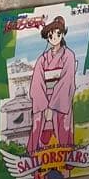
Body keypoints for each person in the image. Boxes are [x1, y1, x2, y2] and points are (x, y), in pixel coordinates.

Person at [28, 16, 77, 159]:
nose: (54, 38)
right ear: (47, 38)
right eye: (50, 35)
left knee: (63, 128)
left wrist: (52, 106)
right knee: (37, 126)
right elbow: (36, 82)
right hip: (43, 98)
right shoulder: (42, 59)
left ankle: (66, 159)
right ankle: (34, 159)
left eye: (58, 34)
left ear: (62, 35)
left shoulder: (68, 55)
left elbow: (67, 81)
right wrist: (44, 105)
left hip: (60, 99)